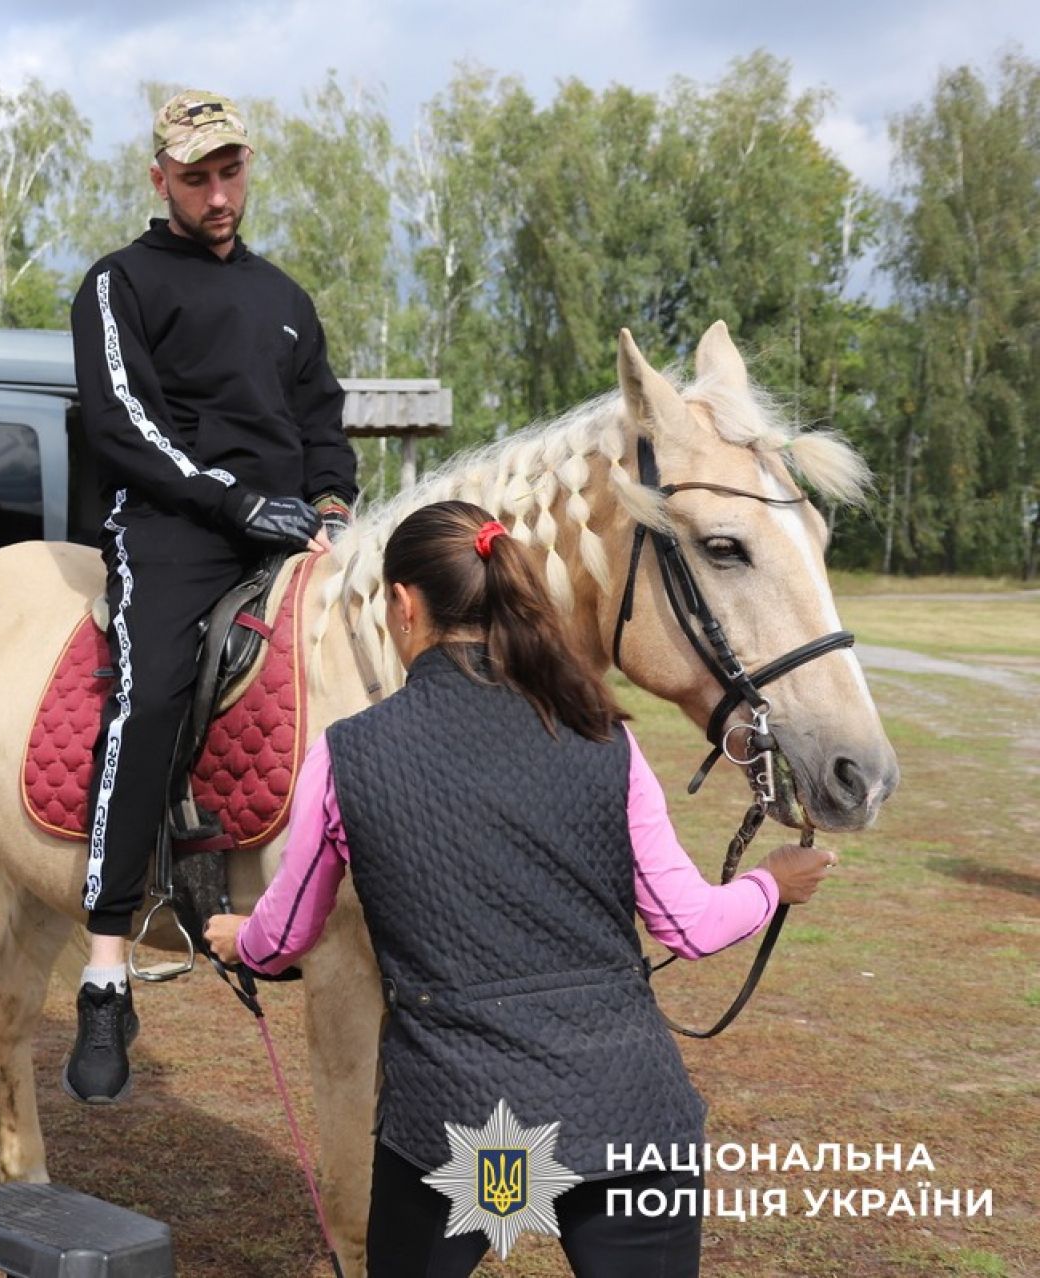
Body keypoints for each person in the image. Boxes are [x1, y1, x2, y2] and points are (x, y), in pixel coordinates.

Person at [204, 500, 836, 1277]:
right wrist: (773, 883)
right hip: (627, 1114)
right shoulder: (605, 734)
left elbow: (283, 936)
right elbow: (691, 924)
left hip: (472, 1125)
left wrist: (240, 939)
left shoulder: (348, 754)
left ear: (404, 605)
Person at [63, 87, 359, 1104]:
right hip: (173, 528)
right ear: (162, 180)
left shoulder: (287, 299)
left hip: (290, 529)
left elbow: (323, 424)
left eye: (231, 172)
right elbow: (122, 424)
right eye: (197, 178)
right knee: (148, 695)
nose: (219, 195)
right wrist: (236, 502)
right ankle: (106, 970)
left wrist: (331, 504)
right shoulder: (120, 284)